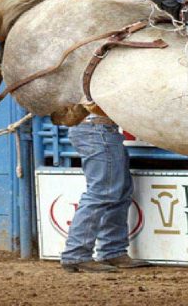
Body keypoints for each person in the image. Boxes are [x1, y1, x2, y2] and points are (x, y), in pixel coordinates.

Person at [60, 115, 151, 273]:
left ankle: (112, 251)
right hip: (97, 130)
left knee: (118, 191)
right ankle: (77, 253)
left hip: (98, 130)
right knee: (102, 193)